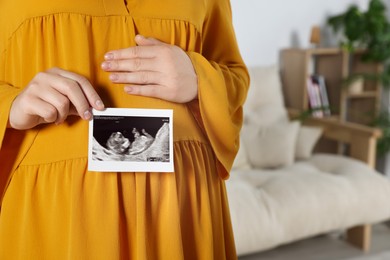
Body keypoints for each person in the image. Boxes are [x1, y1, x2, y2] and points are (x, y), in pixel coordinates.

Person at [0, 0, 249, 259]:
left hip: (181, 200)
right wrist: (12, 105)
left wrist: (199, 79)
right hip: (56, 204)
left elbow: (234, 76)